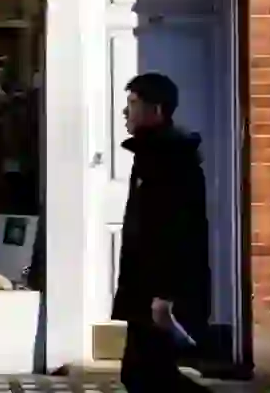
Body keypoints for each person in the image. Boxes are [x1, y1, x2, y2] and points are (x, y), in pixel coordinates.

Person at [112, 72, 211, 392]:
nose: (126, 111)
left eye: (133, 103)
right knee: (143, 375)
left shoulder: (171, 161)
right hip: (145, 289)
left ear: (156, 110)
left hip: (159, 293)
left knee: (149, 377)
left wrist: (166, 295)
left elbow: (180, 230)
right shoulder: (148, 155)